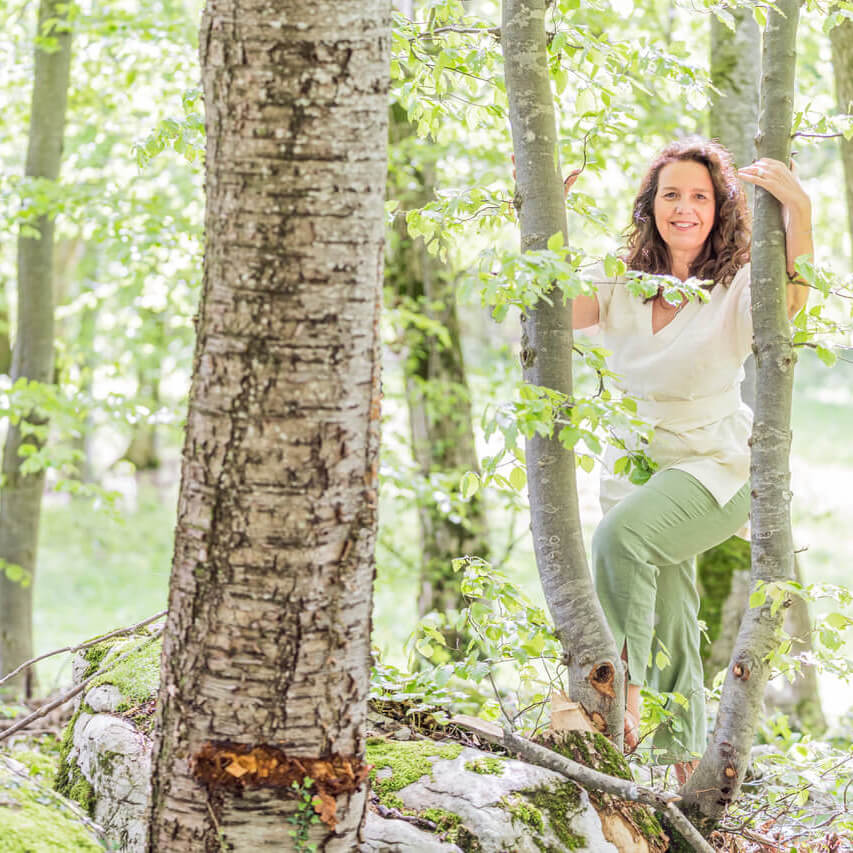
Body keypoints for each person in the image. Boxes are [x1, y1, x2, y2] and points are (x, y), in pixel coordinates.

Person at [570, 137, 812, 785]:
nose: (684, 207)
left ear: (718, 209)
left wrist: (799, 214)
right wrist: (542, 213)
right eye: (670, 194)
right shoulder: (618, 281)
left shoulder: (734, 286)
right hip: (634, 477)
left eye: (699, 196)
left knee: (620, 541)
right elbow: (553, 303)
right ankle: (687, 782)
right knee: (672, 621)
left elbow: (788, 307)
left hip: (718, 469)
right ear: (649, 206)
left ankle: (609, 691)